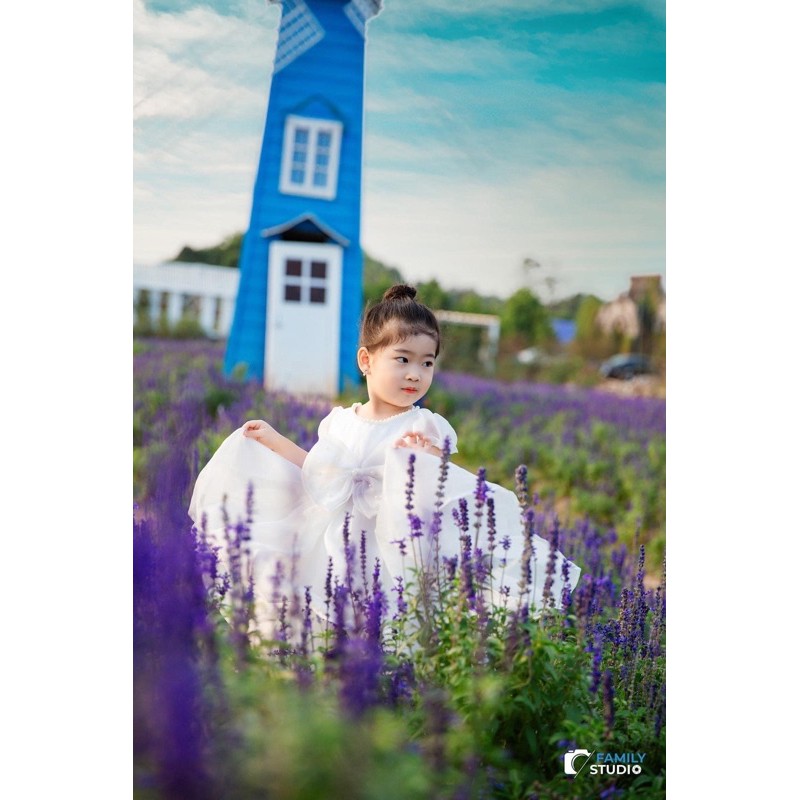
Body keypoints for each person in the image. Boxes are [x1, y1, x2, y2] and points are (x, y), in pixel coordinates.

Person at [188, 284, 580, 634]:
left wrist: (423, 457)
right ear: (366, 360)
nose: (416, 374)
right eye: (403, 359)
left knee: (386, 623)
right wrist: (275, 442)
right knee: (314, 609)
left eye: (427, 362)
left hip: (386, 549)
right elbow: (320, 473)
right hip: (331, 538)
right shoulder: (340, 421)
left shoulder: (423, 425)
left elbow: (439, 482)